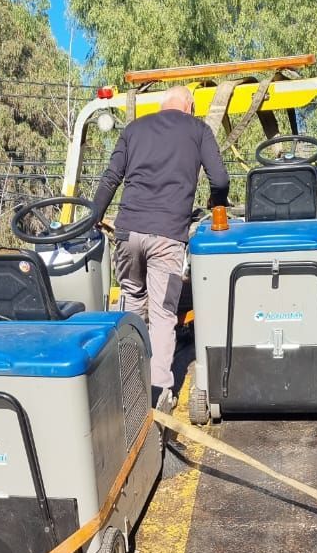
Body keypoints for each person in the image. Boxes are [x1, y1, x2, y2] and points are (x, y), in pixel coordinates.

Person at [91, 86, 230, 412]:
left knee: (131, 307)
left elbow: (111, 177)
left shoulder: (133, 129)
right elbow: (220, 180)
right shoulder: (198, 130)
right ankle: (158, 394)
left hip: (127, 235)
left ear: (162, 104)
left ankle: (126, 387)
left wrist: (94, 216)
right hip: (167, 239)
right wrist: (218, 203)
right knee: (164, 314)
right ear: (191, 106)